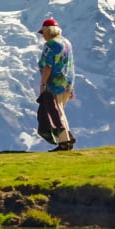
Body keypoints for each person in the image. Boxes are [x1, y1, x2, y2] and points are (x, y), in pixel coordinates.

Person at [36, 18, 76, 151]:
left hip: (54, 82)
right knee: (60, 110)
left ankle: (64, 142)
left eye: (43, 33)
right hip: (67, 82)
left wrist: (43, 83)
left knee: (56, 112)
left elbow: (48, 66)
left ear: (49, 31)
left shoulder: (51, 45)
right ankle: (67, 137)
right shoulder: (67, 42)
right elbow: (69, 65)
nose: (43, 36)